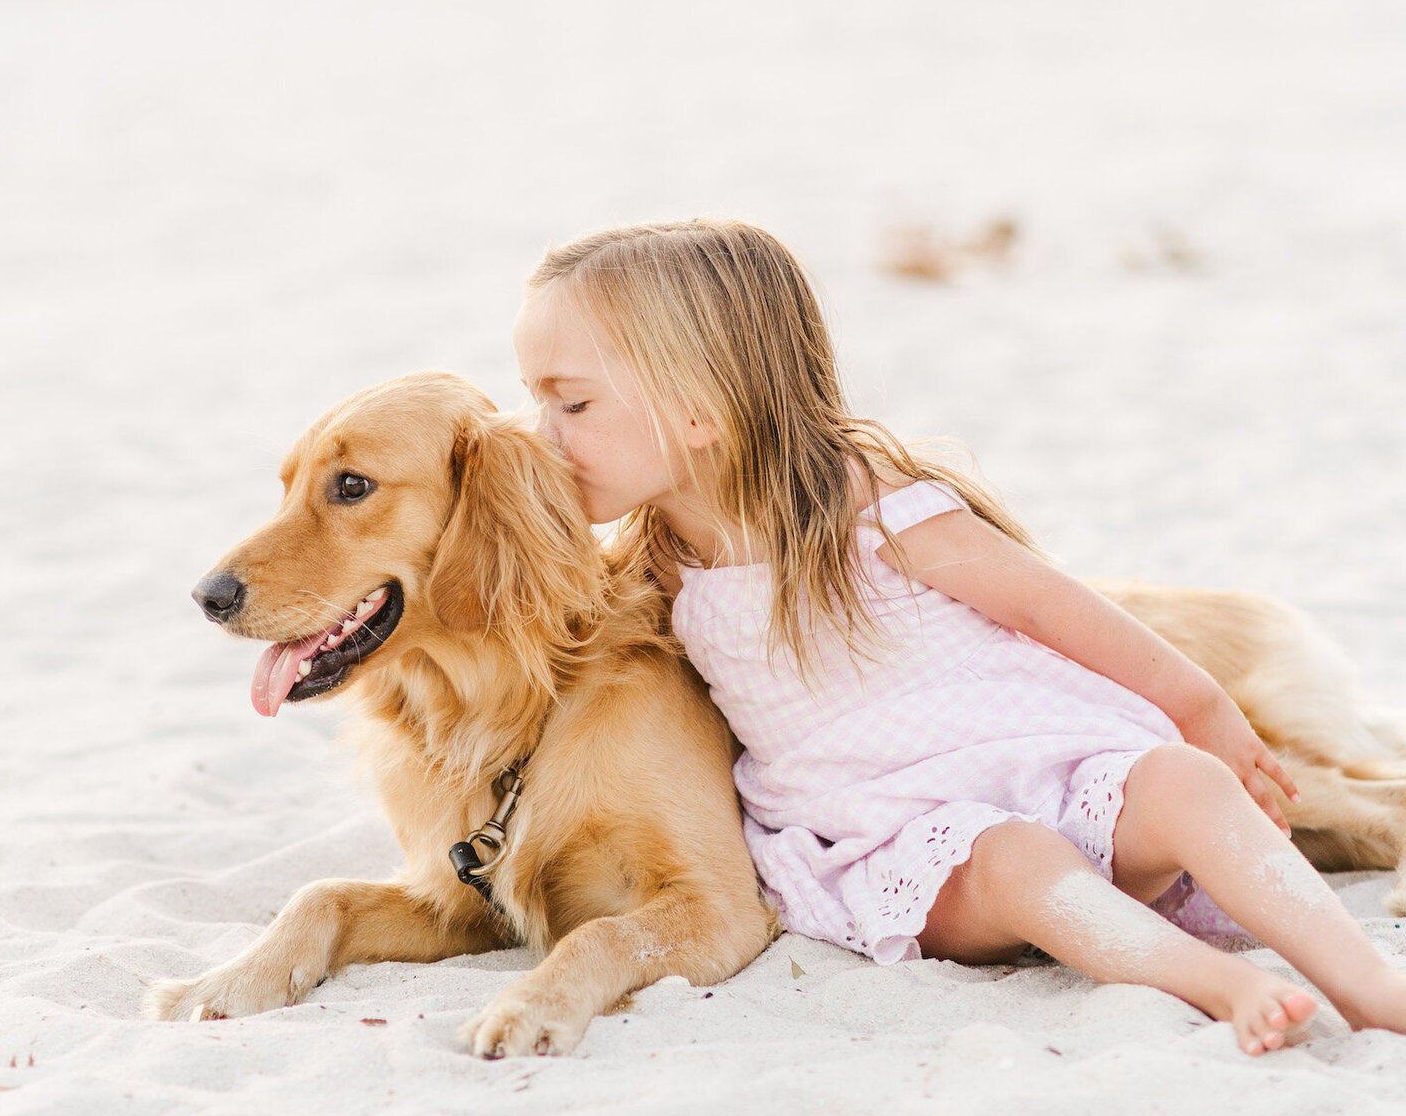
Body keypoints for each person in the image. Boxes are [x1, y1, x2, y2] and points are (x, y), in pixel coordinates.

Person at [513, 218, 1406, 1057]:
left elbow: (1051, 608)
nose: (540, 436)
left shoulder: (869, 500)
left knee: (1188, 780)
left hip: (1038, 767)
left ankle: (1366, 984)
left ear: (697, 410)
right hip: (895, 843)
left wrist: (1202, 706)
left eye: (572, 404)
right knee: (1020, 860)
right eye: (536, 402)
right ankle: (1217, 984)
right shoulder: (659, 561)